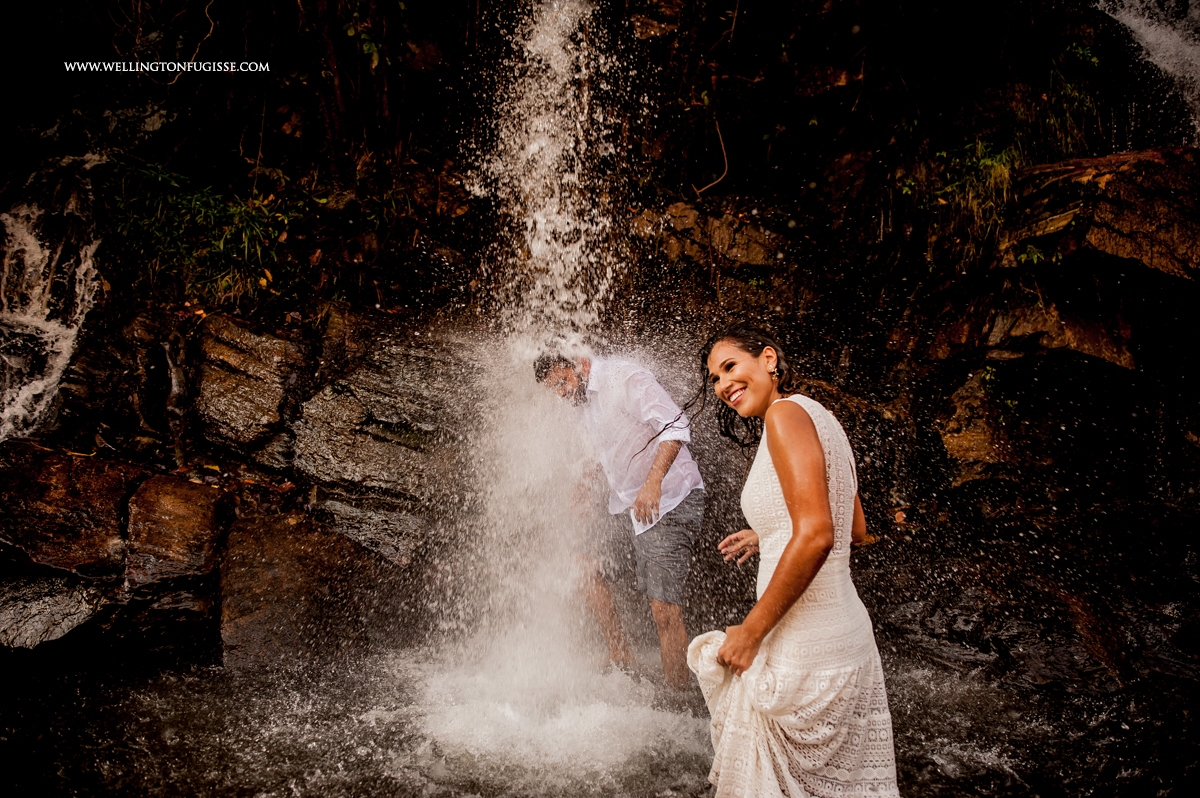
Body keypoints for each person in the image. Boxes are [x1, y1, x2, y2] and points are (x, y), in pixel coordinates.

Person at [686, 324, 899, 797]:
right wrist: (774, 532)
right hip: (846, 637)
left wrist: (751, 631)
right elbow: (854, 528)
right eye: (714, 378)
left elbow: (820, 533)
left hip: (805, 645)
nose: (722, 385)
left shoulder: (783, 416)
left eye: (729, 367)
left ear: (767, 359)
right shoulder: (819, 415)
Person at [535, 352, 705, 691]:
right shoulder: (583, 403)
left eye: (562, 381)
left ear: (580, 362)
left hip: (670, 499)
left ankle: (676, 698)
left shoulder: (624, 378)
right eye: (554, 388)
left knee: (663, 609)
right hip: (627, 503)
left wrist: (653, 482)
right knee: (582, 565)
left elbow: (675, 425)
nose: (561, 393)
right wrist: (584, 484)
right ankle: (620, 653)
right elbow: (607, 447)